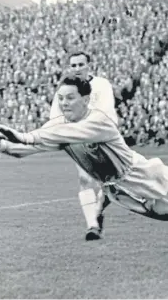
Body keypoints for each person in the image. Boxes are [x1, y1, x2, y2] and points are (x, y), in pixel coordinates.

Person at [0, 77, 168, 232]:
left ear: (86, 99)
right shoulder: (58, 127)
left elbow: (63, 134)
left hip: (140, 171)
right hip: (118, 188)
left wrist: (24, 136)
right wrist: (1, 145)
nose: (64, 103)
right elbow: (24, 150)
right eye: (60, 98)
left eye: (70, 98)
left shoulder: (98, 120)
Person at [49, 52, 117, 241]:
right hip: (79, 139)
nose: (77, 68)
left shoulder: (102, 85)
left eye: (81, 64)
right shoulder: (63, 90)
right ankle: (92, 225)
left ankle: (98, 211)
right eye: (73, 65)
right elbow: (55, 115)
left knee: (112, 185)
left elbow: (106, 112)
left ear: (89, 65)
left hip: (104, 138)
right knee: (85, 178)